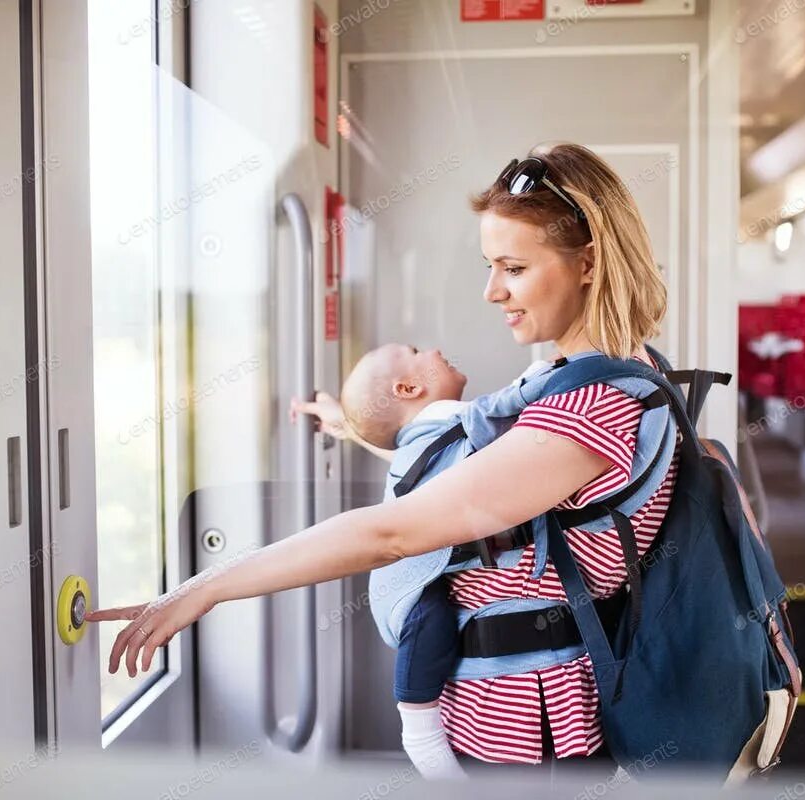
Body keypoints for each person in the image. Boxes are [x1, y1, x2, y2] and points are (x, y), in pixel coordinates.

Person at [86, 143, 676, 781]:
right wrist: (354, 426)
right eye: (490, 265)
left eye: (512, 267)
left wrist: (203, 589)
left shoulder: (590, 409)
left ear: (587, 264)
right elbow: (472, 464)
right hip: (528, 727)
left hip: (535, 743)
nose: (491, 290)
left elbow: (392, 533)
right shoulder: (586, 378)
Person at [294, 341, 554, 779]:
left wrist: (347, 422)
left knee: (430, 624)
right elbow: (509, 411)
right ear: (409, 386)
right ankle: (420, 733)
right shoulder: (462, 424)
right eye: (415, 351)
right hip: (410, 580)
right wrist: (548, 372)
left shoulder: (436, 433)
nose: (432, 348)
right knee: (428, 623)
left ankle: (422, 730)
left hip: (415, 577)